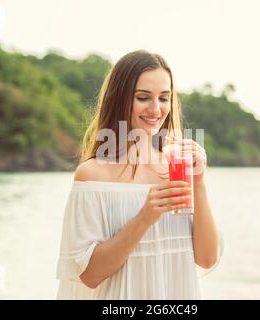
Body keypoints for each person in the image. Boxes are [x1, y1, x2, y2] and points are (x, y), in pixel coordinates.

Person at [56, 50, 222, 299]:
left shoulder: (176, 169)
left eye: (164, 98)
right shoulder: (93, 175)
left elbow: (207, 258)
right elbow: (89, 276)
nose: (156, 109)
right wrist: (144, 218)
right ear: (120, 99)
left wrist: (198, 182)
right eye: (143, 97)